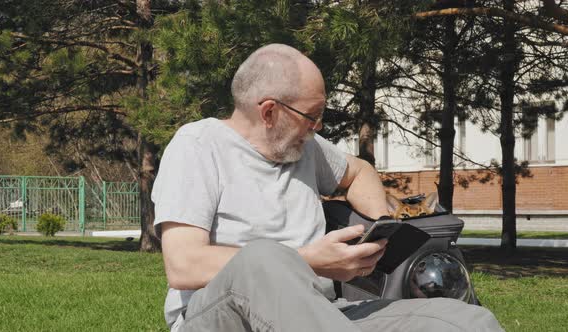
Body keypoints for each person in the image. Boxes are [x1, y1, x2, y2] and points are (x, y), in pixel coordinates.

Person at [152, 44, 503, 332]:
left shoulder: (308, 148)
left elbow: (358, 171)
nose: (317, 126)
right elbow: (184, 265)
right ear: (270, 112)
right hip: (224, 319)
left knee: (466, 322)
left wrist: (381, 225)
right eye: (312, 115)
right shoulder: (198, 145)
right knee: (261, 257)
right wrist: (310, 262)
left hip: (322, 313)